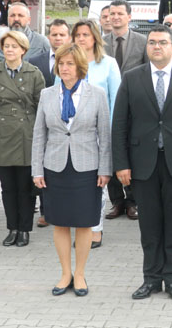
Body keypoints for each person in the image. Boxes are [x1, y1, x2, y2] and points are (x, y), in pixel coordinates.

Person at [112, 24, 172, 301]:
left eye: (162, 43)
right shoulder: (132, 78)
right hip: (142, 165)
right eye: (152, 43)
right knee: (150, 226)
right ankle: (151, 279)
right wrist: (121, 164)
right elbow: (120, 124)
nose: (156, 47)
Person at [32, 43, 112, 297]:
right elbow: (38, 135)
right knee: (60, 223)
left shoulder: (97, 94)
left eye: (69, 64)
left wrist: (105, 169)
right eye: (61, 64)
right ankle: (65, 272)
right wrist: (37, 170)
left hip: (87, 167)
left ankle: (80, 274)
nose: (64, 68)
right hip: (55, 166)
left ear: (80, 67)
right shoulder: (47, 94)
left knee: (84, 223)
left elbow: (105, 136)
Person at [0, 31, 45, 247]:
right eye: (6, 46)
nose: (9, 50)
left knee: (25, 187)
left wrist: (42, 139)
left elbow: (42, 108)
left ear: (23, 50)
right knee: (8, 187)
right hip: (1, 135)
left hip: (27, 134)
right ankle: (12, 228)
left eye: (14, 46)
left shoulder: (34, 74)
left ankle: (25, 229)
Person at [71, 19, 121, 248]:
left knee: (97, 183)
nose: (81, 39)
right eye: (78, 35)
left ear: (95, 38)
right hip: (72, 135)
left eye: (86, 35)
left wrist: (110, 133)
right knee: (76, 184)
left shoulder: (108, 64)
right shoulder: (67, 63)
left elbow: (116, 100)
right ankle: (80, 226)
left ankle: (95, 228)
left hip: (100, 135)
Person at [103, 0, 146, 220]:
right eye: (112, 13)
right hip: (108, 107)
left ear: (129, 16)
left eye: (120, 13)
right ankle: (116, 201)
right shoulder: (100, 43)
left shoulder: (142, 41)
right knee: (110, 152)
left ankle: (132, 201)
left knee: (132, 153)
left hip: (135, 107)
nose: (116, 17)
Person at [28, 19, 72, 228]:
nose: (58, 38)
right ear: (48, 37)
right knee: (46, 167)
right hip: (43, 120)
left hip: (70, 122)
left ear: (68, 37)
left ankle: (67, 209)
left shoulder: (76, 60)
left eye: (62, 35)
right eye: (54, 34)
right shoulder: (36, 60)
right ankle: (46, 210)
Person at [0, 2, 50, 66]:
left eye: (20, 15)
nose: (16, 19)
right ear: (7, 19)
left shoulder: (41, 43)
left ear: (29, 20)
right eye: (12, 15)